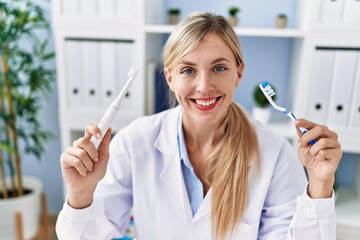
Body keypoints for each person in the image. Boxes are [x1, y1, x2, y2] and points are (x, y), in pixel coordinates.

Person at [56, 13, 342, 240]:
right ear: (170, 78)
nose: (204, 86)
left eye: (219, 68)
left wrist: (319, 184)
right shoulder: (134, 142)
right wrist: (81, 195)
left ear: (238, 73)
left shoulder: (275, 153)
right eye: (188, 70)